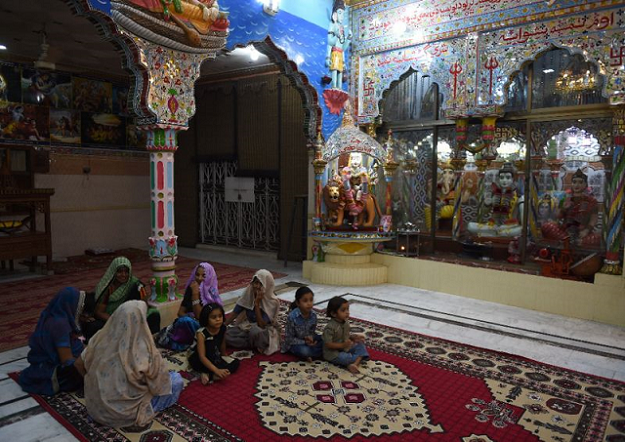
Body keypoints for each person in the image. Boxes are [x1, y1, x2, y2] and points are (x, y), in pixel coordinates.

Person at [83, 301, 184, 432]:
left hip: (96, 409)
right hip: (123, 415)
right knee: (176, 380)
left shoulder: (100, 338)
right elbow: (159, 387)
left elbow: (81, 363)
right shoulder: (146, 351)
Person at [19, 288, 94, 396]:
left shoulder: (59, 317)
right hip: (54, 371)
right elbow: (67, 361)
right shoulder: (60, 325)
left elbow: (76, 342)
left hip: (48, 365)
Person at [83, 256, 160, 340]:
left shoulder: (136, 284)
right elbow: (99, 312)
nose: (123, 275)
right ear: (113, 272)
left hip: (132, 317)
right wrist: (117, 320)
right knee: (94, 327)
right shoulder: (108, 287)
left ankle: (150, 342)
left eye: (126, 272)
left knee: (154, 315)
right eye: (119, 272)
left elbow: (144, 304)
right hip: (112, 318)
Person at [157, 262, 219, 351]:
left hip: (207, 325)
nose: (199, 278)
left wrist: (195, 295)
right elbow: (180, 312)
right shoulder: (192, 288)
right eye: (197, 275)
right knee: (184, 321)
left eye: (203, 276)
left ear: (209, 276)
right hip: (192, 324)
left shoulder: (211, 291)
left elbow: (201, 317)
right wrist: (191, 320)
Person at [225, 269, 281, 355]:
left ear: (267, 285)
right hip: (248, 327)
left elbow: (261, 325)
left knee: (255, 331)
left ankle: (248, 342)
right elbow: (235, 313)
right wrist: (221, 327)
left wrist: (257, 304)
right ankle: (248, 342)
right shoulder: (249, 293)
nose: (257, 286)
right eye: (255, 283)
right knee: (227, 333)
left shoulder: (272, 302)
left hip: (264, 332)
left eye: (261, 284)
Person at [541, 168, 600, 247]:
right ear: (571, 184)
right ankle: (570, 242)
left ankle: (569, 242)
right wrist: (563, 208)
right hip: (565, 232)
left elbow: (593, 220)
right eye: (574, 182)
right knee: (546, 226)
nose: (577, 185)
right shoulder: (565, 198)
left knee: (598, 238)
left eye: (580, 182)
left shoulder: (591, 201)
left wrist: (586, 230)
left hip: (581, 233)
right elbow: (557, 216)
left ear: (586, 185)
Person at [468, 162, 523, 237]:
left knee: (519, 230)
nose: (504, 180)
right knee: (470, 226)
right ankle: (495, 233)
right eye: (501, 177)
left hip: (510, 225)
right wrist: (487, 204)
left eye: (508, 177)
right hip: (493, 225)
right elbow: (484, 213)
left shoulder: (518, 196)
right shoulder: (494, 194)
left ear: (513, 179)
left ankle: (494, 233)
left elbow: (522, 219)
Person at [189, 303, 239, 385]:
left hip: (215, 356)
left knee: (235, 363)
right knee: (209, 348)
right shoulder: (201, 333)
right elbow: (202, 357)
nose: (218, 319)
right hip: (199, 357)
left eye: (220, 316)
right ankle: (210, 373)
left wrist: (224, 355)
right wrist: (217, 370)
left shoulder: (222, 328)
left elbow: (222, 342)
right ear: (206, 319)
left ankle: (210, 375)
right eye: (213, 317)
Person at [322, 296, 369, 374]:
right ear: (334, 313)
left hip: (345, 348)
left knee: (361, 345)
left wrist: (353, 337)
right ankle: (356, 360)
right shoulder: (330, 327)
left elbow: (345, 336)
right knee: (345, 357)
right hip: (333, 353)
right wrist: (342, 345)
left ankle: (354, 364)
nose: (347, 312)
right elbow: (328, 344)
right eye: (343, 310)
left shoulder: (346, 322)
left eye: (347, 309)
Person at [282, 287, 323, 361]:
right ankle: (311, 354)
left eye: (311, 300)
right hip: (295, 343)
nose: (309, 303)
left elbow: (312, 332)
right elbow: (289, 339)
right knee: (304, 351)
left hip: (307, 341)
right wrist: (305, 342)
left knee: (324, 339)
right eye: (305, 301)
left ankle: (311, 354)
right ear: (298, 303)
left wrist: (311, 338)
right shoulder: (292, 317)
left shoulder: (313, 315)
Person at [326, 0, 351, 89]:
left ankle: (339, 87)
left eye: (343, 14)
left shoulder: (341, 28)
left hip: (340, 53)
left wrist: (348, 39)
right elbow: (330, 43)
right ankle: (334, 86)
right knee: (335, 69)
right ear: (335, 15)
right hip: (335, 52)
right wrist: (328, 57)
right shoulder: (333, 25)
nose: (342, 16)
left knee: (340, 71)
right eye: (340, 13)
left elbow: (343, 47)